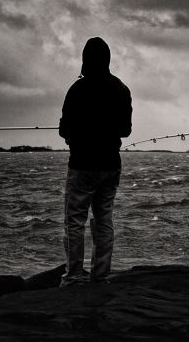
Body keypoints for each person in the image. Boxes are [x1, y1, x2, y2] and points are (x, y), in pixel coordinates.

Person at [58, 37, 132, 286]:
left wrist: (78, 133)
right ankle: (101, 275)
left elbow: (64, 129)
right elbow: (126, 130)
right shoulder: (121, 89)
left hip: (82, 164)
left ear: (85, 59)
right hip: (110, 164)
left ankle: (74, 277)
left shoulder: (77, 90)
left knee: (75, 221)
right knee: (104, 219)